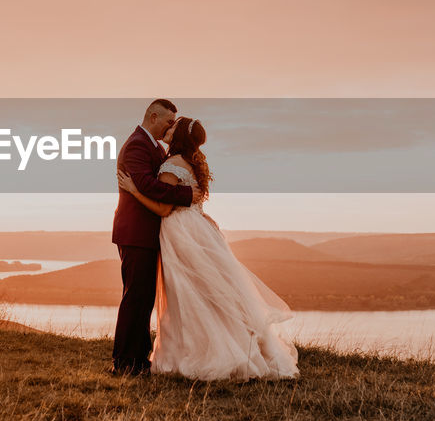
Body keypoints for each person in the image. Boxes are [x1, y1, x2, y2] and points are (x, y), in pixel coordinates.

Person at [116, 115, 299, 381]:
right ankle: (226, 346)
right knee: (206, 294)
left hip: (180, 232)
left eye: (173, 126)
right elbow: (190, 199)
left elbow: (164, 207)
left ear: (178, 137)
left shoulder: (171, 164)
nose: (169, 127)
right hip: (196, 230)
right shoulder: (190, 162)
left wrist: (134, 189)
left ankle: (199, 353)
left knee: (187, 295)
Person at [109, 99, 202, 376]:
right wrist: (186, 196)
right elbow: (147, 185)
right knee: (135, 298)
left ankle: (138, 360)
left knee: (143, 299)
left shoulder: (154, 146)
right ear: (153, 116)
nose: (170, 127)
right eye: (168, 122)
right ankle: (124, 363)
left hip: (146, 234)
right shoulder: (138, 144)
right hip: (135, 233)